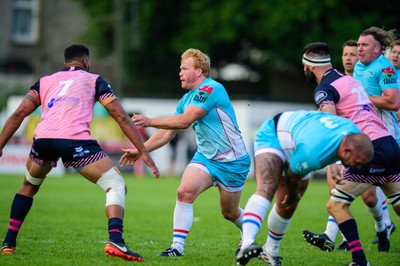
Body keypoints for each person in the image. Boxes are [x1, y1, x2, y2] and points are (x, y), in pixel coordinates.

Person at [0, 45, 160, 262]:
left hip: (44, 141)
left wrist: (0, 146)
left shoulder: (45, 81)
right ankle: (116, 240)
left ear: (66, 62)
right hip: (74, 141)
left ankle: (8, 243)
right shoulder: (94, 80)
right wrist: (144, 151)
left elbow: (19, 113)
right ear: (86, 62)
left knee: (28, 186)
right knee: (115, 184)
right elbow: (120, 116)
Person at [119, 48, 251, 257]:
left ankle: (249, 229)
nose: (179, 72)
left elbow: (185, 120)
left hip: (233, 161)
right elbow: (167, 134)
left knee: (229, 212)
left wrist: (150, 120)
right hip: (206, 158)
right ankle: (177, 247)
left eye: (184, 68)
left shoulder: (211, 89)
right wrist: (140, 150)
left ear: (199, 71)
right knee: (184, 192)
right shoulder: (186, 99)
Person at [236, 110, 374, 266]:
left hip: (299, 143)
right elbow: (292, 175)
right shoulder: (313, 153)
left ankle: (270, 252)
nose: (358, 167)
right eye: (357, 162)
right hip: (274, 134)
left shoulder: (354, 134)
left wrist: (333, 163)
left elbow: (330, 136)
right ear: (346, 152)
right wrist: (293, 193)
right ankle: (247, 245)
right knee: (267, 186)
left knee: (288, 205)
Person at [302, 42, 396, 253]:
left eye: (304, 66)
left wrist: (334, 162)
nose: (304, 70)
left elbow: (331, 124)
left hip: (368, 148)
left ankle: (359, 259)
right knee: (396, 200)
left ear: (310, 66)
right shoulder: (347, 79)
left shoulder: (324, 89)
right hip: (388, 143)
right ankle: (383, 227)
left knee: (336, 205)